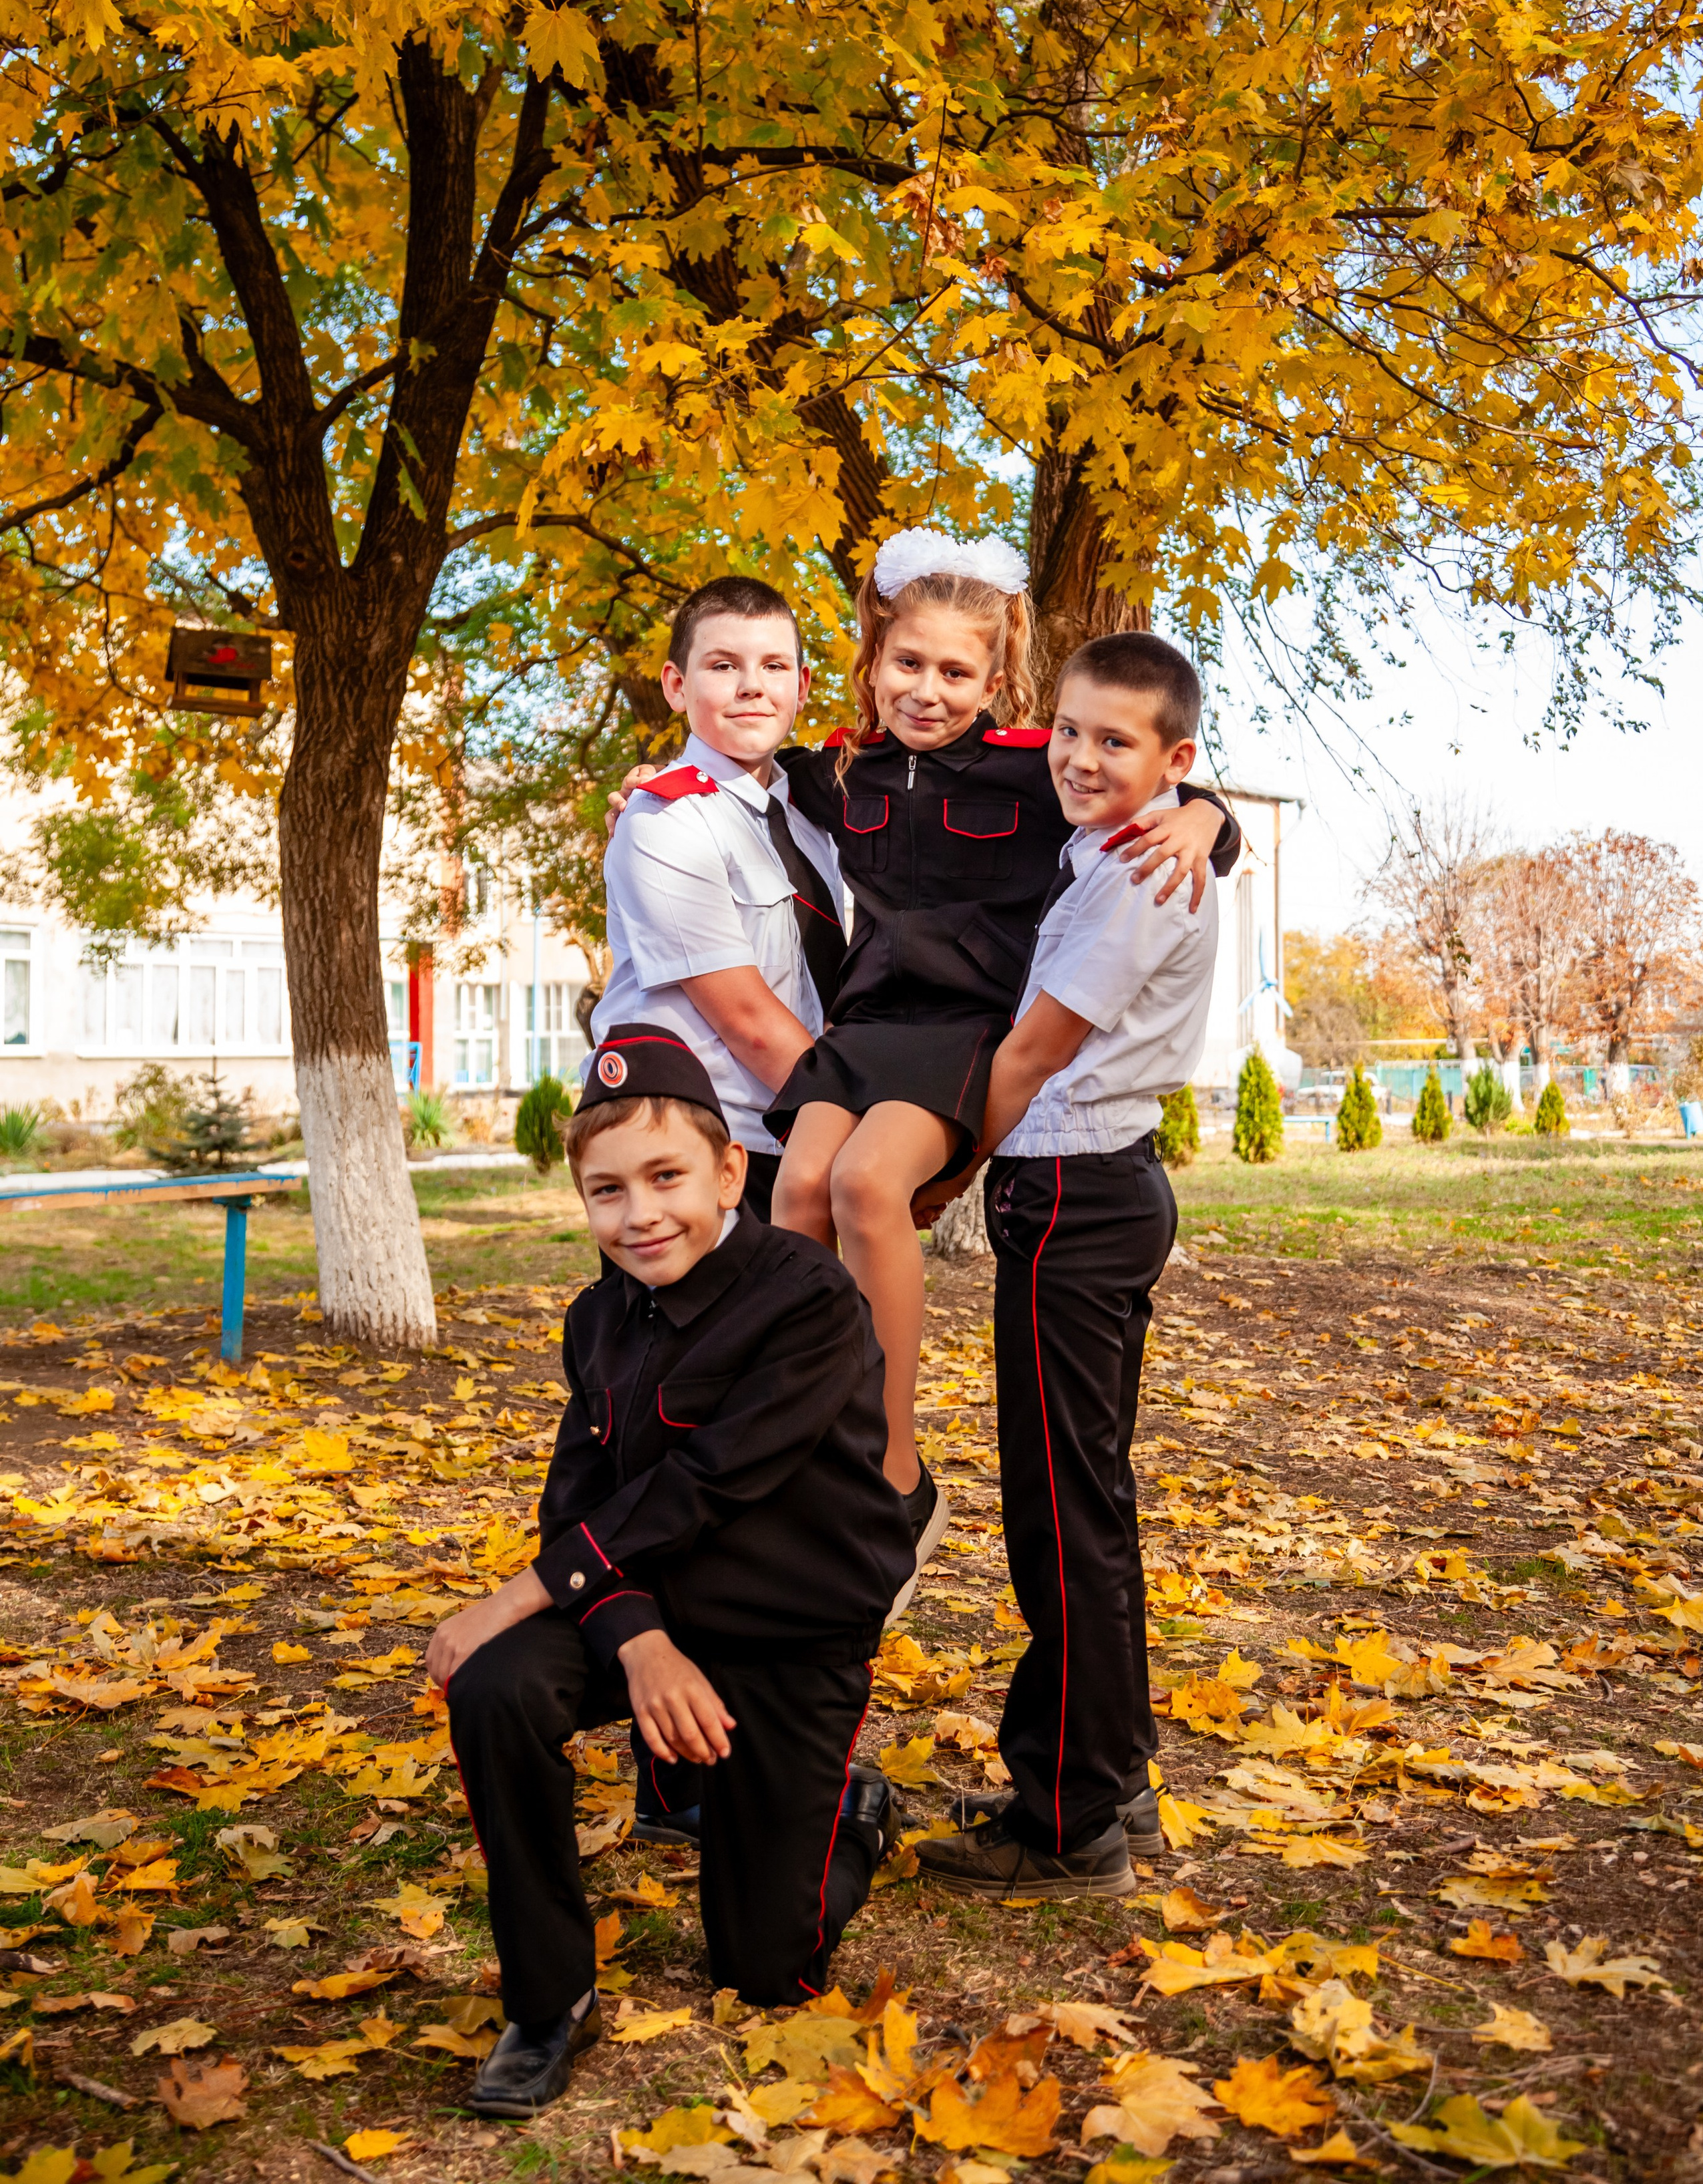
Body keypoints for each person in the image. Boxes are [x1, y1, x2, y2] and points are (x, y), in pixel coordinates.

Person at [429, 1027, 912, 2117]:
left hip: (790, 1629)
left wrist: (518, 1593)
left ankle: (854, 1813)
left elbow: (703, 1482)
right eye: (606, 1191)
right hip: (661, 1607)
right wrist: (639, 1642)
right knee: (498, 1684)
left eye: (664, 1178)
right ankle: (547, 2001)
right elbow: (580, 1508)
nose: (639, 1215)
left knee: (762, 1974)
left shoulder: (808, 1298)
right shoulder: (596, 1320)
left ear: (729, 1170)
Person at [768, 529, 1241, 1595]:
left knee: (863, 1186)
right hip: (869, 1019)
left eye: (953, 672)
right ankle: (805, 1441)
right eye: (906, 664)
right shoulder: (846, 768)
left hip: (970, 1028)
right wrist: (644, 795)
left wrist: (1210, 820)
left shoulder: (1037, 765)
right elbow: (739, 776)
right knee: (796, 1192)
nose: (925, 691)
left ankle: (894, 1477)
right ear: (873, 659)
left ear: (996, 678)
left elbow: (1156, 797)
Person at [910, 630, 1223, 1899]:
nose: (1085, 760)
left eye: (1118, 743)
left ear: (1176, 759)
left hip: (1074, 1202)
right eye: (1074, 735)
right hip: (1099, 1190)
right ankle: (1117, 1772)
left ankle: (1069, 1817)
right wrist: (1207, 814)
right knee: (1086, 1501)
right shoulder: (1118, 843)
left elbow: (1032, 1054)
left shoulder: (1134, 876)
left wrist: (942, 1179)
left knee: (1063, 1516)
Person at [595, 574, 846, 1230]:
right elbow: (748, 1022)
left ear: (803, 684)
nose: (752, 687)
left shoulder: (815, 815)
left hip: (802, 1140)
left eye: (773, 665)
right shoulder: (665, 821)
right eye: (723, 666)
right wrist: (863, 1130)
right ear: (676, 686)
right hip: (703, 1148)